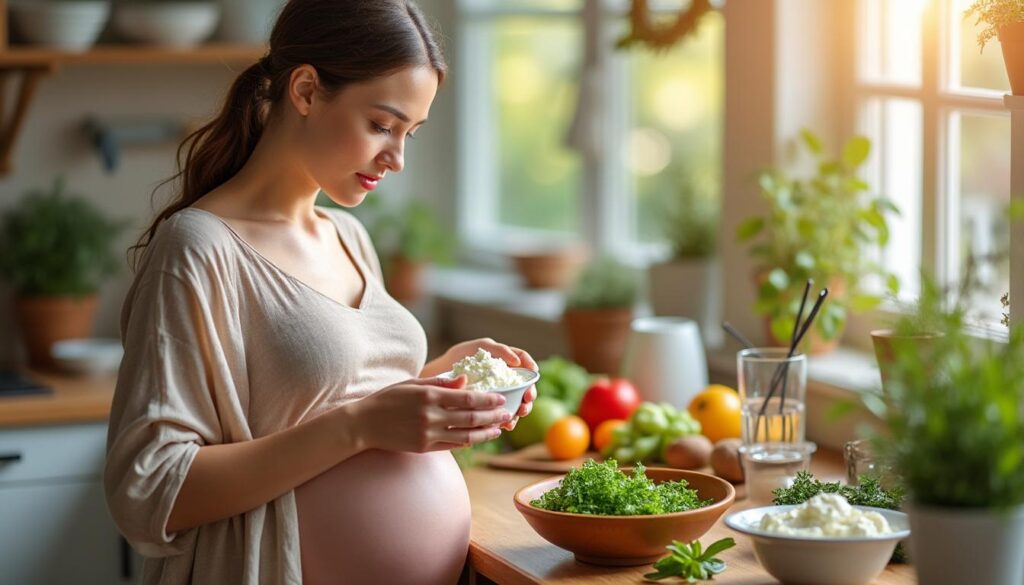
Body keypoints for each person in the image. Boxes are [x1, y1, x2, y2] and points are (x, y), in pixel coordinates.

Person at [103, 1, 537, 584]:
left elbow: (328, 400)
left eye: (410, 132)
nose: (397, 158)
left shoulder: (350, 237)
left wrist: (446, 383)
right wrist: (361, 426)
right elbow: (149, 486)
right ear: (306, 90)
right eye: (382, 125)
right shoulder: (199, 250)